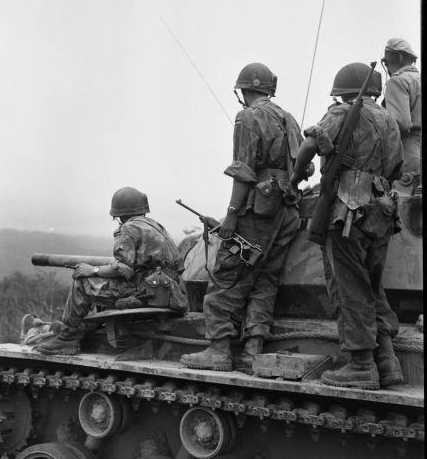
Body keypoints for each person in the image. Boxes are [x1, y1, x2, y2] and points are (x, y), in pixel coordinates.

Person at [180, 63, 311, 372]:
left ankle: (219, 350)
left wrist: (231, 216)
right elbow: (304, 167)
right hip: (288, 211)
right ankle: (253, 348)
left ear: (244, 90)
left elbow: (243, 172)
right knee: (265, 279)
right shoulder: (288, 118)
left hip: (258, 211)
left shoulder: (248, 116)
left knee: (228, 275)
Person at [290, 62, 404, 390]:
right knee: (371, 286)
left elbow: (310, 144)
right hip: (382, 212)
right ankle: (386, 359)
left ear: (343, 92)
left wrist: (298, 177)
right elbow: (396, 166)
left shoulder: (341, 113)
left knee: (349, 286)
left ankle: (361, 366)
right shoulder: (390, 120)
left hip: (347, 210)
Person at [34, 186, 186, 355]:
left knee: (83, 282)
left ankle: (68, 337)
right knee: (107, 286)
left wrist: (93, 270)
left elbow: (122, 269)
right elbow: (178, 267)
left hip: (144, 294)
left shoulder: (128, 229)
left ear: (118, 214)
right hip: (167, 294)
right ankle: (85, 327)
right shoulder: (157, 227)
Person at [381, 38, 421, 192]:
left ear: (399, 57)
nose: (387, 67)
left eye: (386, 61)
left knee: (403, 208)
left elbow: (402, 124)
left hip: (408, 152)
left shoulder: (397, 82)